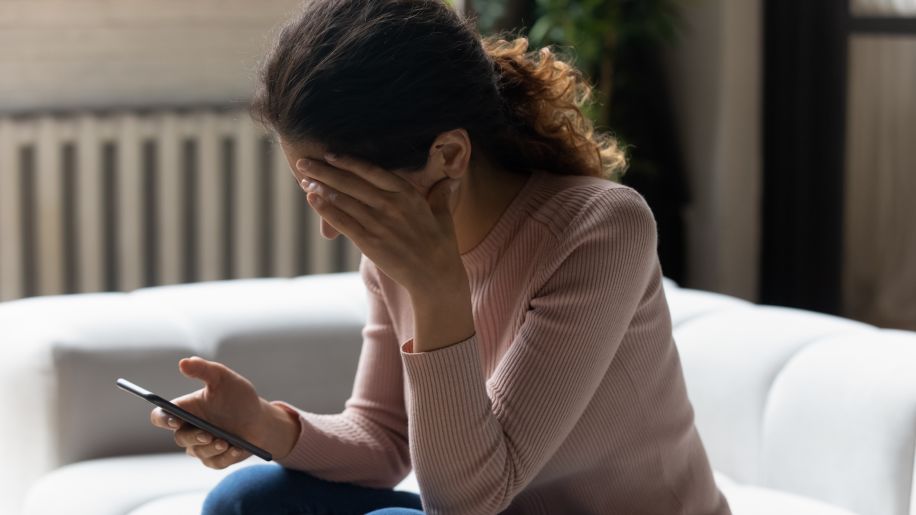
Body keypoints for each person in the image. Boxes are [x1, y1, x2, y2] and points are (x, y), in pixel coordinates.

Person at [149, 0, 732, 513]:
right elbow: (383, 439)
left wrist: (438, 290)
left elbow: (467, 502)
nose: (331, 227)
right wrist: (265, 426)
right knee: (245, 499)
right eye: (314, 195)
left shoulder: (598, 228)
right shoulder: (390, 256)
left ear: (449, 155)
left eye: (347, 196)